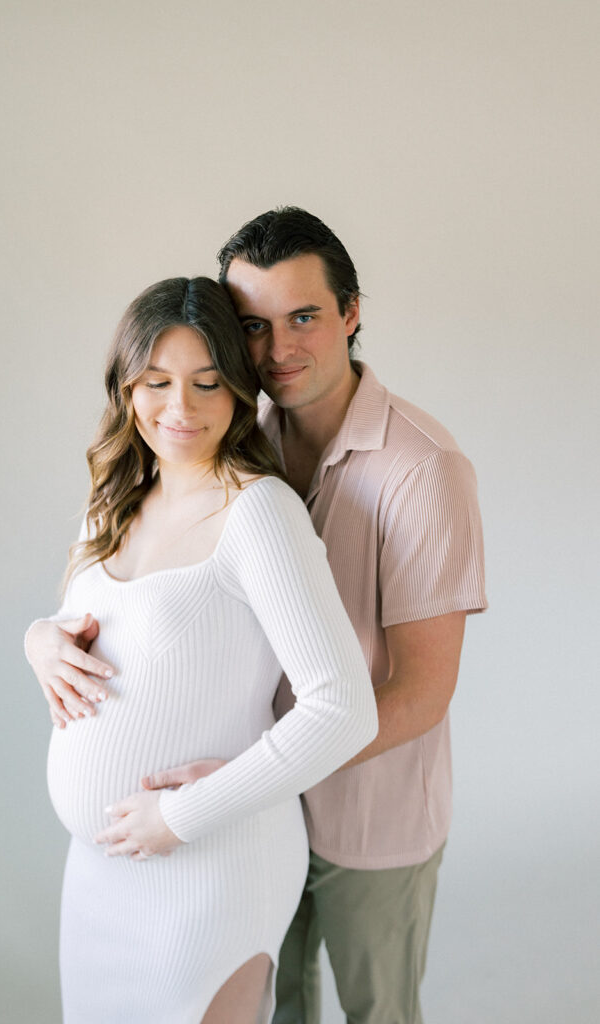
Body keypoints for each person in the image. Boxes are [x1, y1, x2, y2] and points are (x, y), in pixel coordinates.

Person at [26, 208, 488, 1024]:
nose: (278, 349)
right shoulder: (228, 436)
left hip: (360, 815)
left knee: (378, 1009)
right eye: (253, 326)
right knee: (285, 1010)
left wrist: (249, 778)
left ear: (350, 313)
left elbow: (421, 690)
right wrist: (40, 640)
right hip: (247, 809)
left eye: (302, 317)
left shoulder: (421, 468)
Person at [28, 274, 378, 1024]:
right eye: (155, 381)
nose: (178, 408)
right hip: (97, 874)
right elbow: (74, 623)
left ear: (241, 390)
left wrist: (181, 817)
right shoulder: (114, 495)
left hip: (211, 867)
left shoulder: (259, 513)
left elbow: (343, 709)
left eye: (206, 382)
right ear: (125, 386)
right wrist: (37, 642)